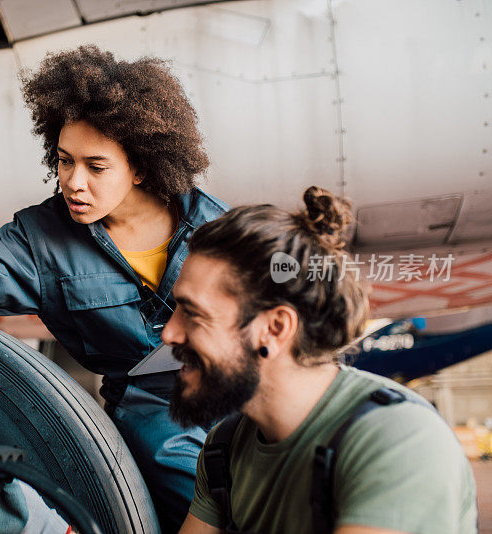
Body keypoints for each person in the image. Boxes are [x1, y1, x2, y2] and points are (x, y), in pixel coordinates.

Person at [0, 45, 228, 530]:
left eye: (96, 167)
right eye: (64, 161)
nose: (73, 182)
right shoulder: (40, 242)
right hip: (155, 411)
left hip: (232, 387)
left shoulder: (212, 224)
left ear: (141, 167)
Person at [163, 186, 478, 534]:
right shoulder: (224, 447)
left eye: (192, 313)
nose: (169, 334)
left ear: (275, 328)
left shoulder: (399, 443)